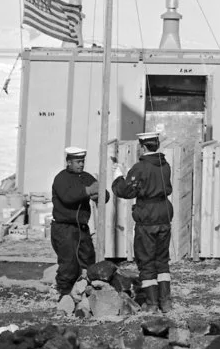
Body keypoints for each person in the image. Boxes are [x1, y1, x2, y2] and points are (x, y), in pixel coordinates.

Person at [111, 131, 174, 312]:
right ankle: (166, 302)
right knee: (162, 261)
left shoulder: (140, 167)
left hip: (147, 217)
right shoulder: (165, 165)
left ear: (143, 146)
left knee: (146, 261)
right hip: (164, 215)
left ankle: (152, 304)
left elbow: (125, 191)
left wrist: (118, 175)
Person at [50, 145, 109, 301]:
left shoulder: (86, 177)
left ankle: (86, 294)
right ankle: (64, 295)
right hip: (64, 228)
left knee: (89, 260)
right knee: (69, 264)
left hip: (81, 228)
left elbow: (104, 195)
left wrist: (100, 195)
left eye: (82, 161)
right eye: (77, 161)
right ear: (68, 162)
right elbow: (68, 197)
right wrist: (89, 191)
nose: (81, 164)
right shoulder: (61, 178)